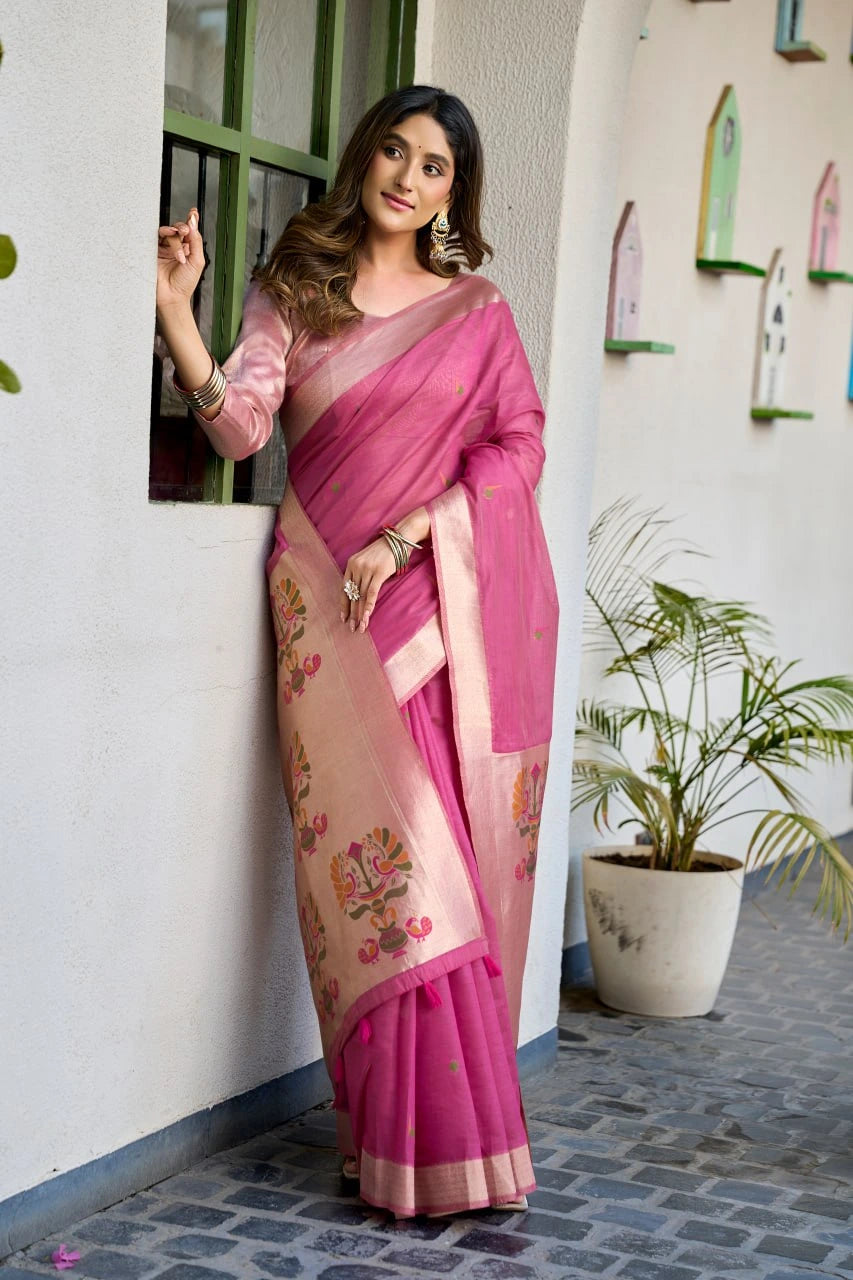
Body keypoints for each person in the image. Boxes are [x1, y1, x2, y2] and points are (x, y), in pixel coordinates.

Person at [156, 83, 559, 1220]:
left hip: (432, 611)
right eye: (396, 149)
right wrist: (178, 311)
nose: (408, 177)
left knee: (442, 877)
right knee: (376, 888)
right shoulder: (298, 284)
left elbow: (516, 443)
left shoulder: (476, 311)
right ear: (366, 156)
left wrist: (412, 530)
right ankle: (388, 1142)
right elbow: (240, 427)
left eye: (435, 166)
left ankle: (458, 1145)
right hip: (326, 616)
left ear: (453, 193)